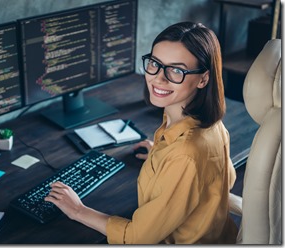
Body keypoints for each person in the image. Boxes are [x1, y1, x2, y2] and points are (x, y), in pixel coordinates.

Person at [45, 21, 238, 244]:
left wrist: (78, 210)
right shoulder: (211, 125)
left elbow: (138, 237)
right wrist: (162, 158)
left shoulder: (186, 153)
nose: (159, 78)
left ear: (203, 78)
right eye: (155, 63)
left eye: (176, 70)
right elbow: (226, 179)